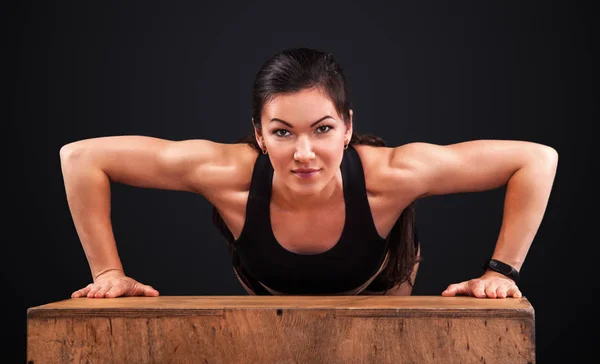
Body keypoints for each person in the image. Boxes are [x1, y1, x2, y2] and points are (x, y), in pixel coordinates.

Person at [62, 47, 558, 299]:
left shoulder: (394, 174)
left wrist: (501, 272)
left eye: (321, 129)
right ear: (258, 134)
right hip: (271, 294)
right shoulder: (223, 172)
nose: (305, 152)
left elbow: (535, 160)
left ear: (347, 128)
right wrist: (108, 272)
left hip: (379, 291)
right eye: (282, 133)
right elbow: (83, 158)